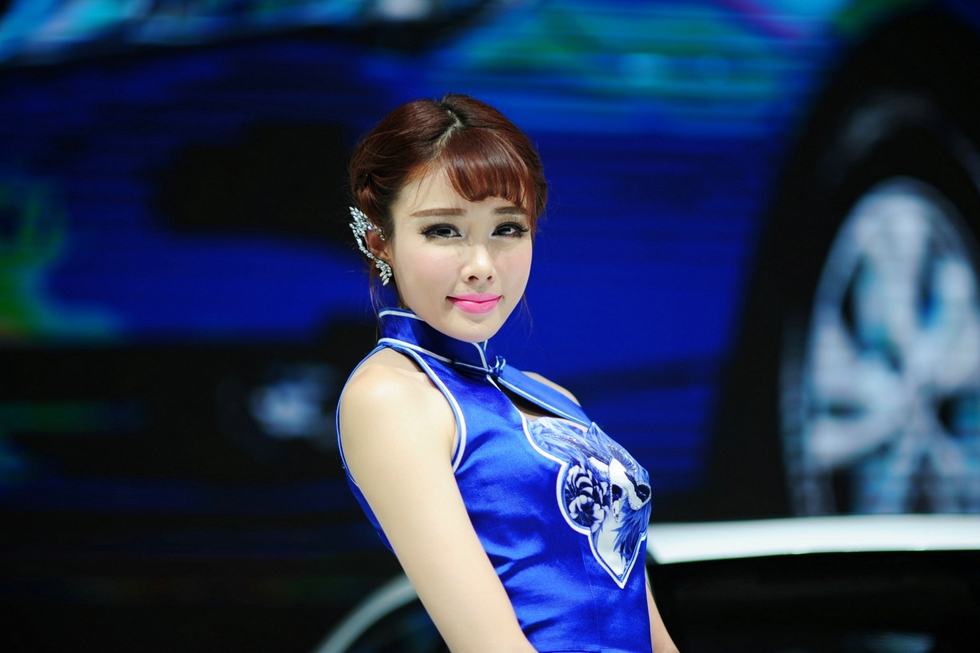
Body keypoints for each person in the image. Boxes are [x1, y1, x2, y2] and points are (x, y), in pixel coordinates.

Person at [337, 93, 679, 653]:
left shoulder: (552, 397)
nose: (481, 265)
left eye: (508, 229)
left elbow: (642, 619)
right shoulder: (392, 397)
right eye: (443, 230)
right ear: (381, 241)